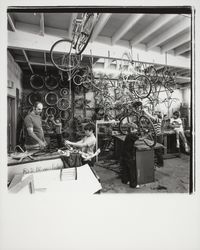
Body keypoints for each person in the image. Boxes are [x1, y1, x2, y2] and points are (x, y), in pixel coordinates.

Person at [120, 123, 139, 188]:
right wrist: (148, 134)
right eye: (135, 129)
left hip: (124, 153)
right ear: (131, 129)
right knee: (132, 169)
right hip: (128, 154)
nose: (136, 130)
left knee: (125, 168)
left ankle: (125, 180)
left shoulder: (128, 135)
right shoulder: (132, 135)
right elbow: (140, 139)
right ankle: (133, 184)